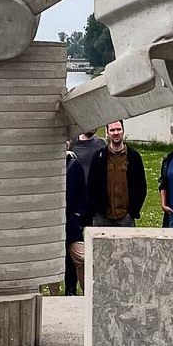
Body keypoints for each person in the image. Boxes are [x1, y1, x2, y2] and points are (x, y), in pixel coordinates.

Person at [85, 119, 146, 228]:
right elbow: (91, 186)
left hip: (125, 218)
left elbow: (141, 187)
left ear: (123, 131)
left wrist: (132, 211)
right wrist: (96, 211)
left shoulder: (134, 157)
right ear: (107, 133)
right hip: (102, 217)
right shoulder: (98, 157)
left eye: (118, 129)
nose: (116, 133)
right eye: (112, 130)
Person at [64, 142, 89, 294]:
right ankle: (54, 296)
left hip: (72, 223)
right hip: (53, 224)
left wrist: (78, 214)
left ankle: (84, 291)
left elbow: (82, 192)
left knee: (82, 259)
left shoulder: (75, 165)